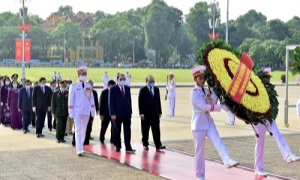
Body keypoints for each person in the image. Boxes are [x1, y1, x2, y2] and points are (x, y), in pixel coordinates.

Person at [190, 65, 238, 180]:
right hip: (198, 124)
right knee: (199, 152)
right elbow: (204, 106)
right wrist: (219, 107)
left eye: (203, 78)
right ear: (195, 79)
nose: (202, 80)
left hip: (208, 122)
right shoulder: (194, 92)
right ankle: (200, 176)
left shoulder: (207, 91)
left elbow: (212, 100)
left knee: (218, 140)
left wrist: (218, 92)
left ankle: (227, 160)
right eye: (200, 78)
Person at [254, 67, 300, 177]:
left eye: (269, 77)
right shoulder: (256, 89)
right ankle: (258, 168)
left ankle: (288, 155)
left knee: (278, 135)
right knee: (260, 144)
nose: (268, 79)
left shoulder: (270, 90)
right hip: (259, 120)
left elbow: (273, 104)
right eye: (266, 77)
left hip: (269, 118)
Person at [68, 66, 96, 156]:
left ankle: (81, 146)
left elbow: (91, 98)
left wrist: (93, 110)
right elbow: (71, 100)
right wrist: (71, 113)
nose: (84, 76)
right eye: (82, 74)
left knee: (84, 130)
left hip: (86, 111)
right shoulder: (74, 86)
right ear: (78, 75)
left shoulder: (88, 85)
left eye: (85, 74)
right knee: (78, 129)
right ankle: (78, 149)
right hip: (77, 111)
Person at [138, 75, 165, 151]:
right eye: (150, 82)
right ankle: (145, 144)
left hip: (155, 114)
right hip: (146, 115)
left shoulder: (156, 89)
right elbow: (140, 102)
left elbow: (158, 101)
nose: (151, 83)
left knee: (156, 130)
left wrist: (159, 111)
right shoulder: (143, 90)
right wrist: (141, 113)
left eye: (153, 82)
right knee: (145, 130)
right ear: (146, 82)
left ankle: (158, 144)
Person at [109, 73, 135, 152]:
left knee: (127, 130)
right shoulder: (113, 89)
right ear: (117, 80)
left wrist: (130, 111)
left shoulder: (127, 88)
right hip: (117, 114)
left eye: (124, 79)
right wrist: (112, 113)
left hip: (126, 113)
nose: (122, 81)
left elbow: (129, 100)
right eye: (121, 79)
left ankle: (128, 146)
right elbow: (111, 102)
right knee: (117, 130)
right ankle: (118, 145)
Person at [83, 79, 99, 145]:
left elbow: (96, 101)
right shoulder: (84, 91)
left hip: (91, 111)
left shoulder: (94, 92)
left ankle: (88, 137)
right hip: (84, 111)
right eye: (89, 84)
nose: (90, 85)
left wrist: (97, 109)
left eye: (92, 84)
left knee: (90, 124)